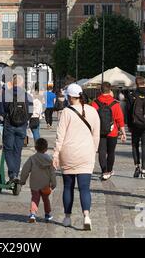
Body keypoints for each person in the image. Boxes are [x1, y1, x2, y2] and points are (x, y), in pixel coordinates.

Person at [53, 84, 100, 230]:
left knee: (68, 187)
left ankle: (67, 217)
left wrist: (55, 154)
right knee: (85, 188)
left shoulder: (66, 112)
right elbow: (96, 135)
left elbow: (60, 136)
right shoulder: (93, 111)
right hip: (86, 153)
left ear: (70, 97)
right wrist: (93, 151)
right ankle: (86, 216)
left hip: (68, 153)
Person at [0, 74, 33, 183]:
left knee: (8, 149)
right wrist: (24, 119)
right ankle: (16, 174)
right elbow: (30, 112)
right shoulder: (28, 96)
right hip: (22, 126)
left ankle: (12, 174)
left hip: (9, 125)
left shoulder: (5, 95)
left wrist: (4, 118)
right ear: (22, 84)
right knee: (18, 151)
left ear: (13, 83)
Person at [91, 82, 126, 180]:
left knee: (102, 152)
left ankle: (104, 171)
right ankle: (109, 170)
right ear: (110, 90)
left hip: (99, 131)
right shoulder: (115, 103)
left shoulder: (94, 103)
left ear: (100, 90)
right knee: (111, 152)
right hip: (112, 131)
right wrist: (123, 132)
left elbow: (92, 118)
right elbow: (120, 119)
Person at [20, 138, 56, 223]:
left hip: (34, 183)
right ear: (46, 148)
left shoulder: (32, 158)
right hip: (45, 184)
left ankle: (32, 214)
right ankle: (47, 214)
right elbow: (52, 173)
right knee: (46, 199)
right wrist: (53, 184)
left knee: (35, 198)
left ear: (35, 148)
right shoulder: (49, 160)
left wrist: (22, 180)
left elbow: (25, 170)